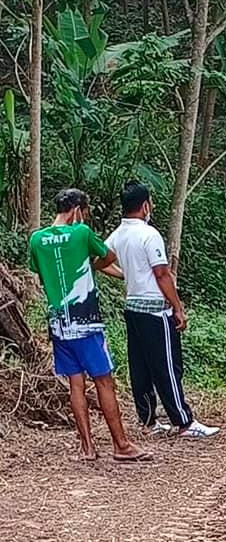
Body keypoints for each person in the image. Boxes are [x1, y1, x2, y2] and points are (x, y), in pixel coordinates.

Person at [29, 188, 151, 462]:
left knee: (75, 384)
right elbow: (108, 257)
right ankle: (121, 444)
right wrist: (91, 263)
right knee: (104, 381)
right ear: (77, 211)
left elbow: (39, 271)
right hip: (86, 322)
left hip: (59, 322)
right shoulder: (82, 234)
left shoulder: (37, 239)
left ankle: (87, 447)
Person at [105, 182, 219, 439]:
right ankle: (184, 422)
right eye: (151, 203)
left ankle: (148, 420)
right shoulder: (149, 234)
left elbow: (100, 261)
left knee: (141, 366)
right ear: (145, 205)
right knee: (167, 365)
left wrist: (126, 275)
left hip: (133, 307)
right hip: (156, 310)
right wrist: (177, 307)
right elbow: (162, 274)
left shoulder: (117, 235)